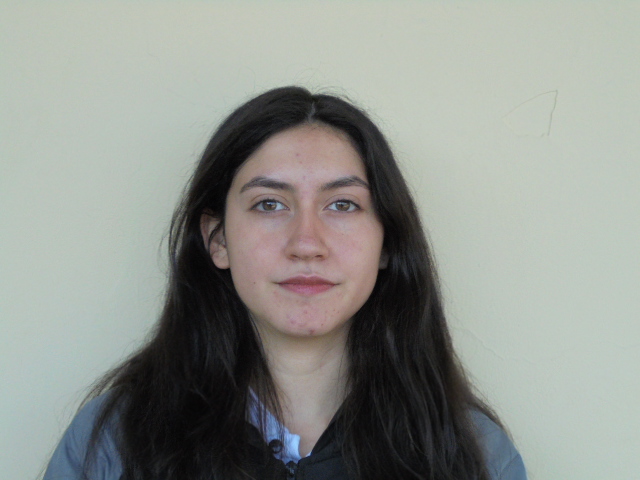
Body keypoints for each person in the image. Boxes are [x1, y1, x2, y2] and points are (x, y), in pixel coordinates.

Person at [43, 86, 526, 480]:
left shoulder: (475, 452)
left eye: (343, 205)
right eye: (269, 204)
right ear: (218, 240)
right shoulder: (112, 441)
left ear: (387, 242)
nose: (306, 243)